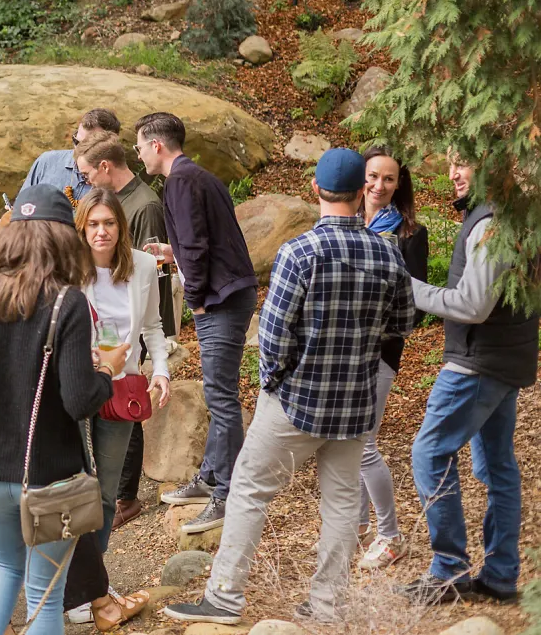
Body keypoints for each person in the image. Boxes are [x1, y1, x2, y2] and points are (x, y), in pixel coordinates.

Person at [164, 149, 415, 625]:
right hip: (354, 404)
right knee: (342, 504)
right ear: (362, 191)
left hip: (296, 401)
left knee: (248, 490)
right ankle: (326, 606)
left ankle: (224, 597)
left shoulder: (299, 253)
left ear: (316, 190)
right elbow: (401, 323)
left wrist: (274, 385)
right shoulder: (388, 252)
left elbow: (273, 338)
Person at [0, 184, 147, 635]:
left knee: (3, 566)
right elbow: (79, 400)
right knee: (44, 592)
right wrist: (107, 371)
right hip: (47, 474)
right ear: (62, 239)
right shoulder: (65, 301)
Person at [399, 155, 538, 607]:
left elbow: (472, 305)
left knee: (428, 452)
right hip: (502, 359)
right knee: (497, 466)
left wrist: (407, 285)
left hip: (477, 363)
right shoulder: (513, 218)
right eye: (452, 164)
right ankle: (499, 576)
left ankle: (450, 570)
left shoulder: (490, 224)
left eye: (465, 165)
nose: (454, 173)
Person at [135, 112, 256, 533]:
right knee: (219, 394)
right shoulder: (198, 176)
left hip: (220, 299)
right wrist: (173, 254)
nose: (138, 156)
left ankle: (227, 494)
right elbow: (200, 240)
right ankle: (210, 479)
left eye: (138, 147)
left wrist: (198, 300)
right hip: (228, 293)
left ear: (156, 145)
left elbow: (200, 245)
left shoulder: (180, 181)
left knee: (222, 399)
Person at [75, 129, 176, 529]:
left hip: (122, 385)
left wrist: (163, 369)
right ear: (82, 229)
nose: (102, 231)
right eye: (94, 224)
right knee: (75, 486)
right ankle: (72, 580)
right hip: (76, 386)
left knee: (106, 494)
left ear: (121, 226)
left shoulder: (144, 268)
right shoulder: (68, 271)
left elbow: (153, 325)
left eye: (110, 223)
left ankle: (96, 581)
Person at [355, 145, 428, 570]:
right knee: (348, 442)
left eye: (388, 178)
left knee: (363, 443)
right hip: (343, 351)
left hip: (380, 351)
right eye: (372, 176)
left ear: (399, 184)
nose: (378, 186)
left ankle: (390, 534)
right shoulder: (345, 220)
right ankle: (358, 523)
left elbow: (414, 307)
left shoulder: (409, 233)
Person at [20, 108, 122, 201]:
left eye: (87, 146)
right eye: (76, 141)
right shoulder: (47, 162)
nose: (78, 149)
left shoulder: (115, 182)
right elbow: (21, 204)